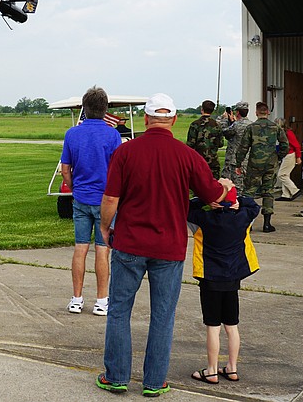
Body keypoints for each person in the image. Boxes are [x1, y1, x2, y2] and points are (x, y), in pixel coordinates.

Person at [95, 93, 234, 397]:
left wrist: (105, 228)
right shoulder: (187, 155)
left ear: (145, 119)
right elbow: (212, 195)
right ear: (173, 120)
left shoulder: (126, 152)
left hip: (130, 243)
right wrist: (226, 186)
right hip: (169, 248)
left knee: (119, 311)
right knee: (162, 315)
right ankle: (154, 382)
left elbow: (110, 199)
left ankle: (116, 376)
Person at [187, 187, 260, 385]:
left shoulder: (201, 219)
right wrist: (238, 202)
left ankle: (211, 370)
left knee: (212, 326)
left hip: (209, 278)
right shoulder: (243, 218)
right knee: (232, 325)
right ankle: (232, 367)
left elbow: (186, 206)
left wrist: (205, 199)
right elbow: (254, 205)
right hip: (233, 278)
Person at [60, 86, 122, 315]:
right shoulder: (112, 135)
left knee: (80, 247)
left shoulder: (72, 134)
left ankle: (76, 298)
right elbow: (118, 170)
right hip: (105, 200)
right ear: (105, 109)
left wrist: (75, 188)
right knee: (103, 249)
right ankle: (102, 300)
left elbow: (65, 169)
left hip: (81, 198)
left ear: (84, 108)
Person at [235, 102, 288, 233]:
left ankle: (249, 223)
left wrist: (238, 163)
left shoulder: (251, 127)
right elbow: (285, 145)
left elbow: (243, 148)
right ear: (268, 112)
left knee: (249, 192)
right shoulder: (276, 127)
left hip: (254, 164)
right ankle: (267, 224)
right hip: (271, 164)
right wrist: (278, 157)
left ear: (256, 112)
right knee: (268, 192)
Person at [218, 101, 253, 194]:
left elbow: (225, 132)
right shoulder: (252, 125)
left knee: (235, 186)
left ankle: (236, 205)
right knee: (245, 185)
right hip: (248, 158)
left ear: (237, 112)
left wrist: (224, 119)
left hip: (235, 159)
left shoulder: (236, 125)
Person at [187, 99, 224, 179]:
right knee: (214, 185)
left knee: (198, 184)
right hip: (213, 161)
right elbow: (221, 144)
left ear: (202, 109)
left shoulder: (195, 124)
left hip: (198, 161)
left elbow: (190, 144)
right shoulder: (217, 125)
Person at [274, 118, 302, 201]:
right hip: (288, 155)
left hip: (290, 155)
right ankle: (286, 194)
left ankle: (294, 190)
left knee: (281, 174)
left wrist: (298, 157)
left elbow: (296, 145)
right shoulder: (285, 133)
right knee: (286, 174)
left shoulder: (288, 133)